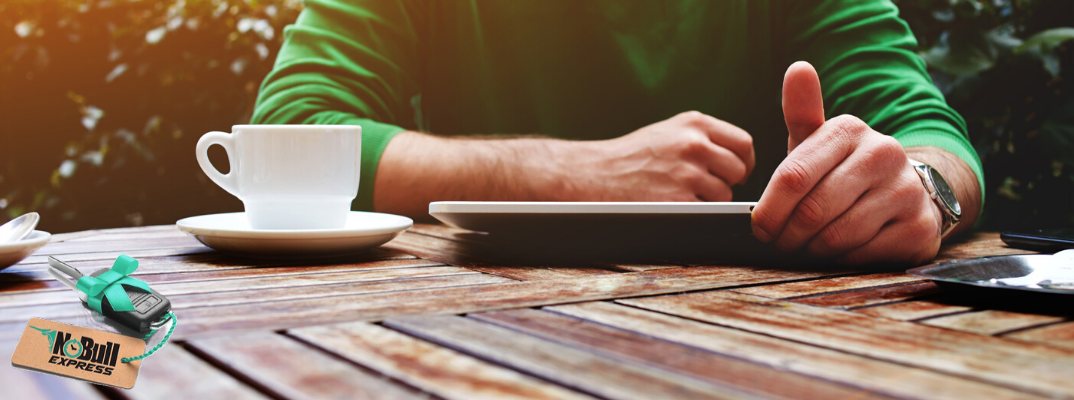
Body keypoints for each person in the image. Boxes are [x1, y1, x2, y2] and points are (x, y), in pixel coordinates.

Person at [252, 0, 983, 266]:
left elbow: (931, 137)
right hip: (460, 338)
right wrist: (568, 174)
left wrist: (923, 189)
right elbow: (288, 129)